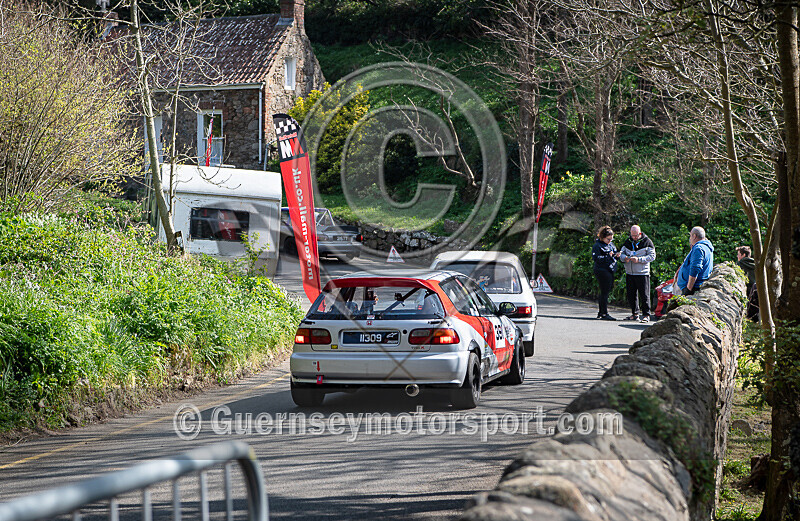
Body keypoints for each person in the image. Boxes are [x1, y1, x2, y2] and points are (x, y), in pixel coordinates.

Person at [619, 225, 656, 322]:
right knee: (631, 294)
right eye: (632, 235)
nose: (634, 237)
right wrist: (625, 258)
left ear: (640, 233)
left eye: (636, 235)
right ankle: (635, 314)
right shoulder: (628, 241)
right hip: (630, 272)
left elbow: (652, 256)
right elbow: (621, 254)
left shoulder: (647, 242)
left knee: (644, 294)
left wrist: (639, 260)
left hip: (642, 273)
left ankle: (646, 315)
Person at [674, 226, 714, 295]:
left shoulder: (698, 248)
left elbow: (695, 269)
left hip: (692, 288)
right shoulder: (706, 247)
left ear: (694, 236)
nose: (690, 238)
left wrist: (688, 289)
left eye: (690, 236)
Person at [592, 225, 619, 320]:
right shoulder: (597, 246)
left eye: (611, 239)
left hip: (610, 269)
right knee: (604, 291)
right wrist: (608, 256)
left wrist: (616, 255)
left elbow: (614, 254)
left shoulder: (611, 245)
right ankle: (604, 313)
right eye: (608, 239)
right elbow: (597, 259)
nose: (610, 241)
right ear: (602, 237)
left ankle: (601, 312)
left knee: (606, 291)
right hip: (601, 270)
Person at [736, 246, 759, 322]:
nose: (737, 256)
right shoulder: (757, 265)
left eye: (738, 254)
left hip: (745, 291)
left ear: (743, 255)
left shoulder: (739, 265)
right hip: (756, 292)